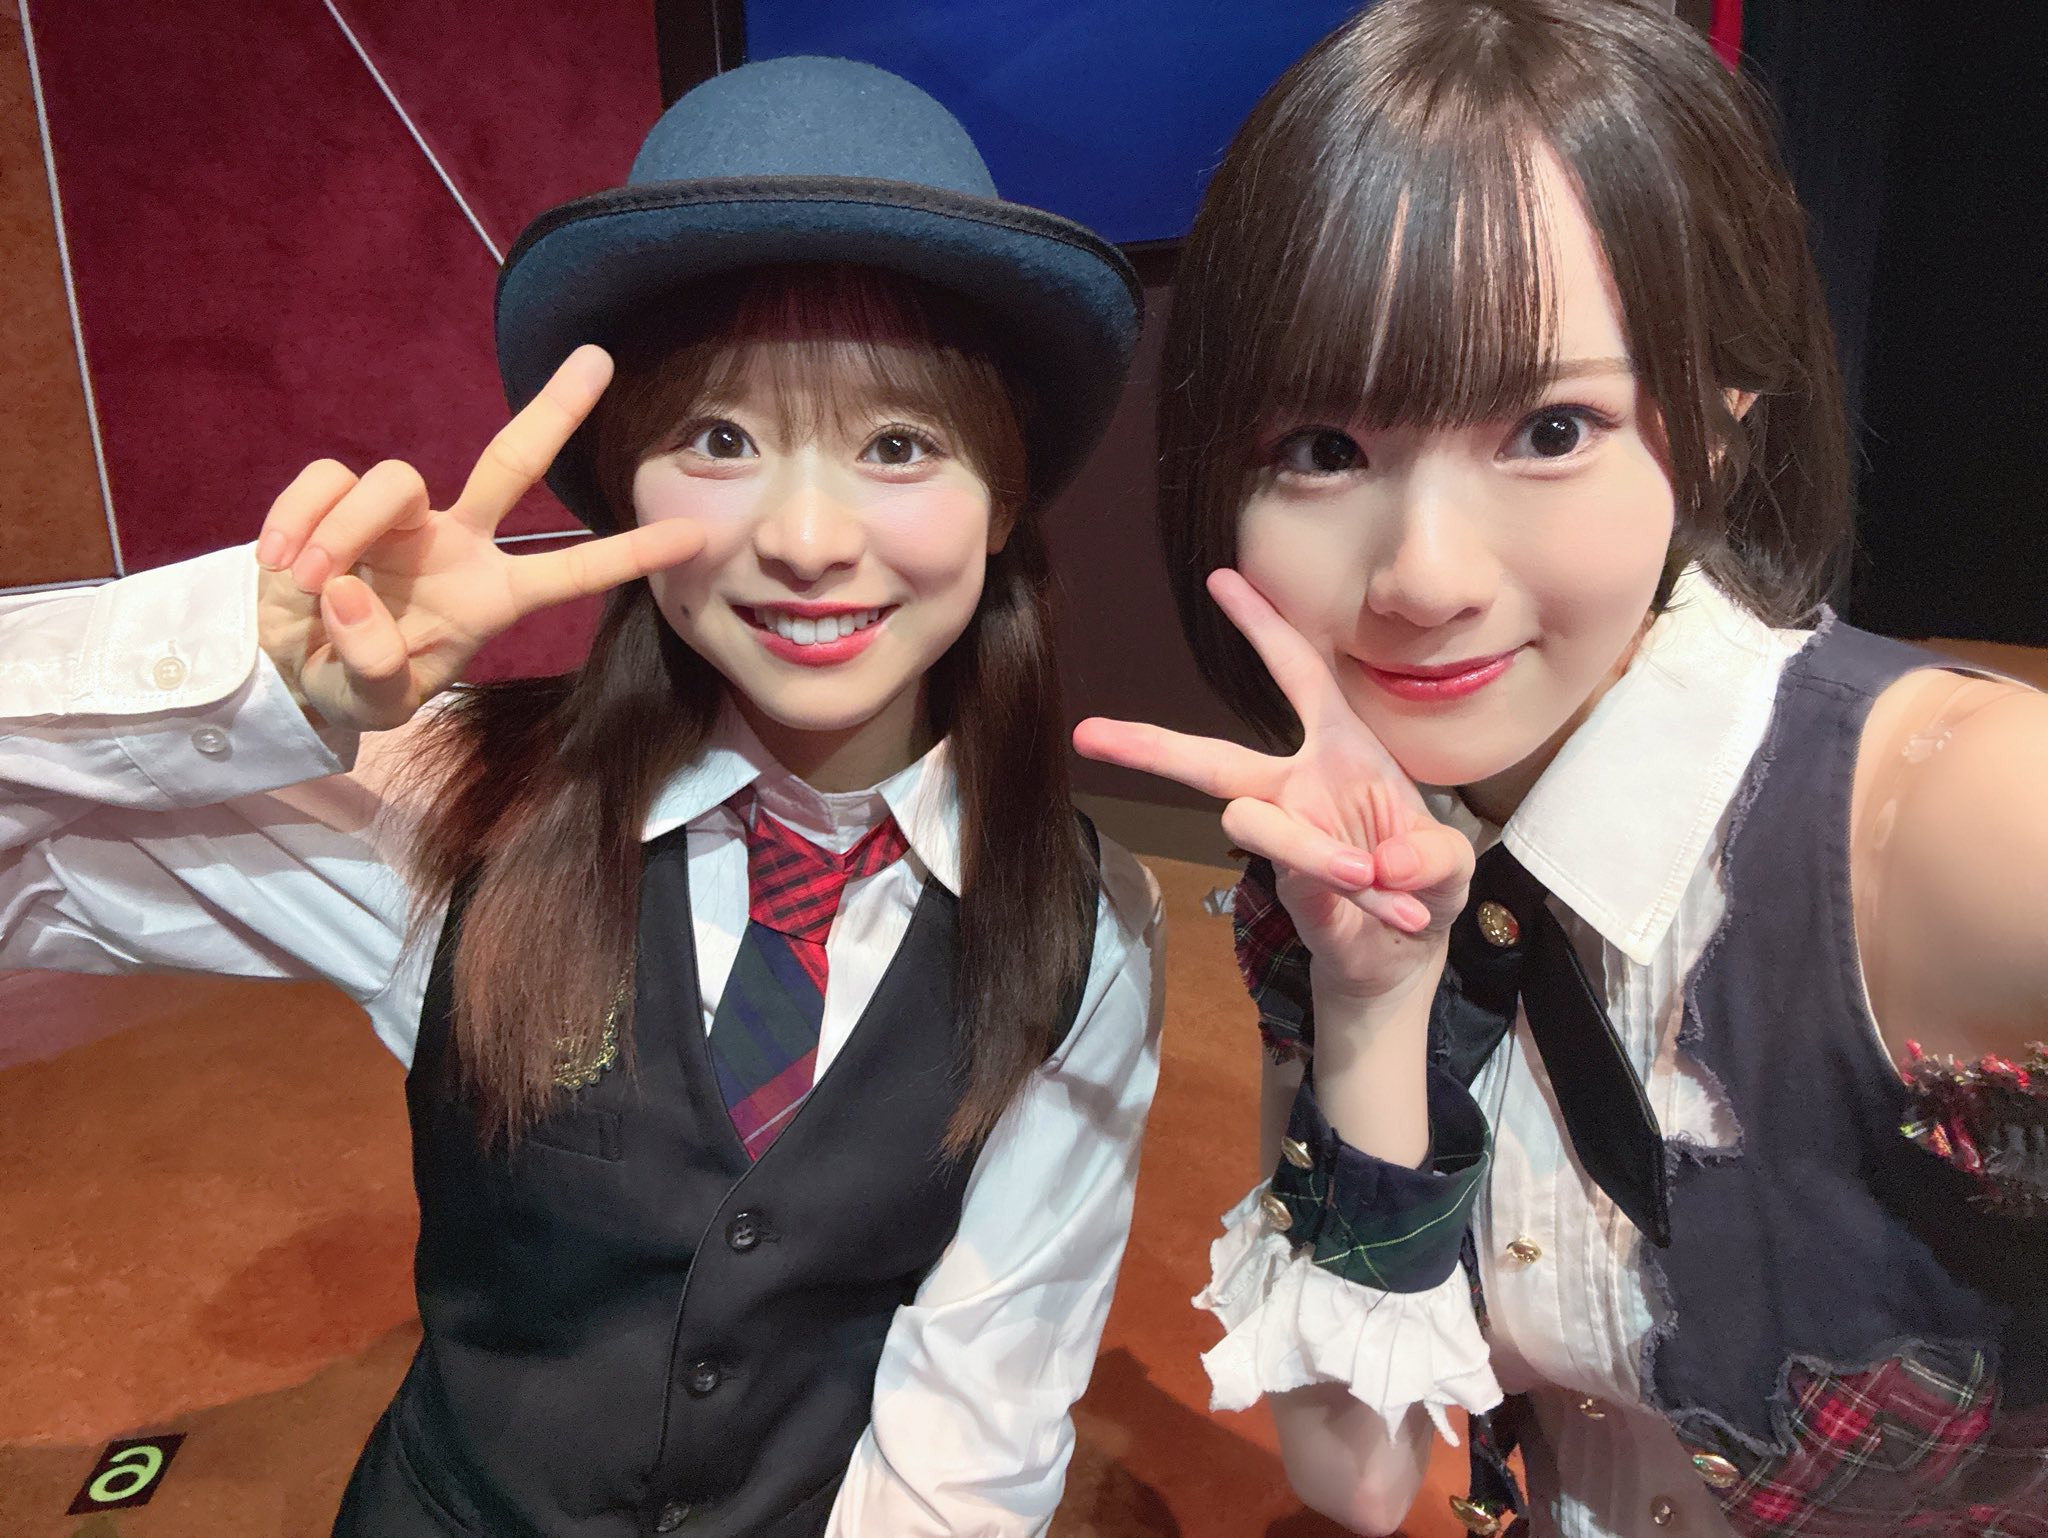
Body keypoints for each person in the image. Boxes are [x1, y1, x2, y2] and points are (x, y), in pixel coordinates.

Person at [0, 57, 1163, 1538]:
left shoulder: (1085, 928)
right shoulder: (454, 797)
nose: (809, 538)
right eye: (721, 439)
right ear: (622, 487)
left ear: (1001, 504)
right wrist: (243, 682)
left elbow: (976, 1431)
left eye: (897, 444)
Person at [1075, 2, 2048, 1534]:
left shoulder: (1950, 823)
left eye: (1548, 426)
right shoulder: (1343, 868)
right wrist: (1371, 1006)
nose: (1424, 575)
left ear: (1719, 422)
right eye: (1323, 448)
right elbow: (1357, 1470)